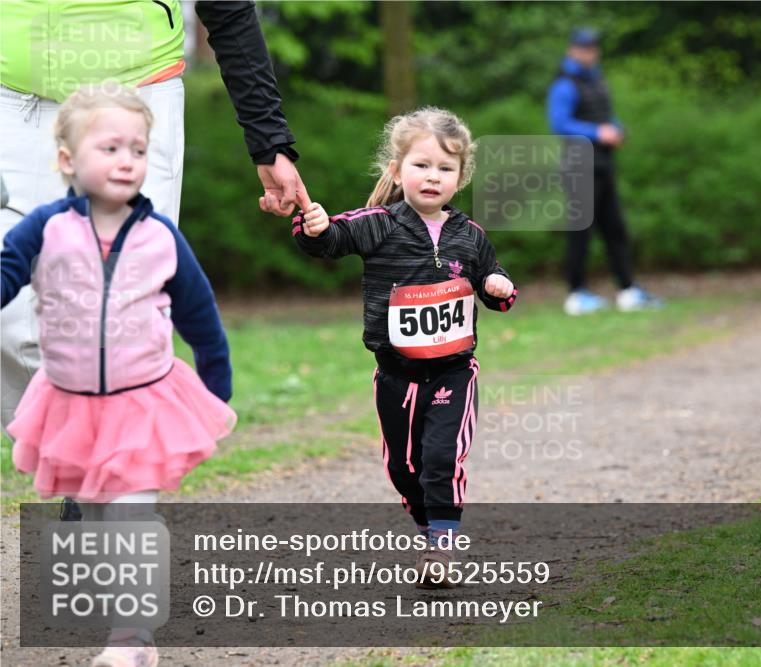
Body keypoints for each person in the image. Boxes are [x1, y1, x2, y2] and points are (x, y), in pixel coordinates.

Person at [1, 83, 236, 667]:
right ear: (67, 159)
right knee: (98, 516)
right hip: (71, 403)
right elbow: (5, 275)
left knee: (130, 513)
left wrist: (216, 388)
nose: (127, 160)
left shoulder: (161, 239)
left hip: (141, 401)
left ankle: (131, 641)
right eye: (110, 148)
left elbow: (201, 318)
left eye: (137, 149)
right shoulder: (44, 229)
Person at [0, 0, 310, 430]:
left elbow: (228, 7)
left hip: (138, 96)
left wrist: (268, 138)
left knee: (122, 317)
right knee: (11, 318)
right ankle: (71, 448)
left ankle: (107, 460)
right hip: (16, 103)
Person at [293, 108, 516, 588]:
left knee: (441, 457)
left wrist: (498, 286)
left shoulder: (470, 235)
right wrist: (314, 227)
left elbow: (492, 281)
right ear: (397, 171)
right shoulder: (381, 224)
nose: (433, 176)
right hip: (395, 373)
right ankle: (427, 526)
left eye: (445, 168)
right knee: (403, 466)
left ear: (460, 177)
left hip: (453, 370)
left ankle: (442, 545)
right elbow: (332, 239)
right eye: (422, 165)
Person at [547, 27, 662, 315]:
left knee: (615, 229)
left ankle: (628, 290)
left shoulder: (597, 79)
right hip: (579, 166)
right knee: (580, 231)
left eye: (593, 47)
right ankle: (576, 294)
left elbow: (605, 116)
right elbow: (560, 123)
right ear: (572, 49)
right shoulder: (564, 84)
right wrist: (598, 133)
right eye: (584, 47)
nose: (590, 52)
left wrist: (617, 129)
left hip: (603, 165)